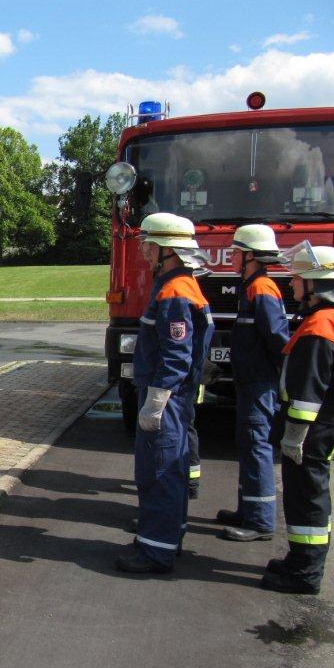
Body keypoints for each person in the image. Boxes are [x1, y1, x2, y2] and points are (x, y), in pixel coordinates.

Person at [261, 244, 334, 594]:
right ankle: (300, 561)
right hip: (321, 430)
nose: (292, 283)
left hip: (310, 434)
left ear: (316, 285)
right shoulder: (332, 319)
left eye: (298, 278)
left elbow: (307, 393)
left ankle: (305, 573)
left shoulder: (320, 326)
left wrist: (294, 438)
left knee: (306, 500)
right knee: (309, 496)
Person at [117, 213, 213, 574]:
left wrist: (156, 401)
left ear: (167, 251)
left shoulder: (175, 292)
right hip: (174, 395)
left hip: (165, 396)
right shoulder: (179, 284)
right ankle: (166, 537)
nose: (143, 251)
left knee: (159, 472)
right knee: (169, 470)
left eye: (150, 245)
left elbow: (176, 355)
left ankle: (156, 552)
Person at [217, 225, 291, 541]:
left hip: (259, 383)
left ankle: (260, 522)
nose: (231, 257)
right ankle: (248, 509)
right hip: (251, 381)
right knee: (248, 444)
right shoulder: (251, 287)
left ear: (250, 256)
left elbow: (277, 339)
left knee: (256, 445)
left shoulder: (261, 289)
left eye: (236, 252)